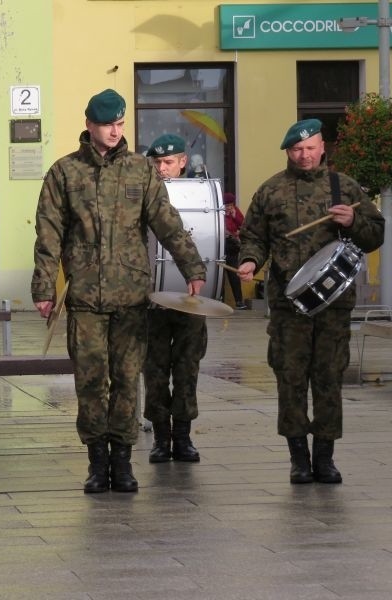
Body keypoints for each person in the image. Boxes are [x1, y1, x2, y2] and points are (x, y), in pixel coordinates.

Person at [31, 90, 206, 495]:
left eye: (120, 124)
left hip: (130, 297)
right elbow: (48, 234)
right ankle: (97, 462)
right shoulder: (64, 173)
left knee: (128, 380)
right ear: (90, 125)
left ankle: (123, 463)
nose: (115, 130)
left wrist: (192, 267)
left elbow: (168, 223)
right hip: (86, 299)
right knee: (91, 382)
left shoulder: (140, 171)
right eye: (107, 124)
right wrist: (43, 287)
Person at [237, 118, 384, 485]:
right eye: (297, 150)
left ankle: (325, 457)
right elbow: (253, 236)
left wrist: (353, 220)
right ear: (288, 151)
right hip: (289, 307)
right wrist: (250, 260)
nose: (304, 155)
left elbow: (375, 235)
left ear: (322, 148)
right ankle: (298, 458)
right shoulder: (271, 191)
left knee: (329, 377)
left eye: (310, 148)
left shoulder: (344, 188)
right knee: (290, 377)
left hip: (333, 305)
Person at [142, 134, 207, 464]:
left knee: (186, 370)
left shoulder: (200, 195)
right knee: (154, 372)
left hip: (190, 300)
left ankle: (183, 437)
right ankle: (160, 438)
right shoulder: (143, 193)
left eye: (168, 162)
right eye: (156, 163)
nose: (162, 168)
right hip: (152, 300)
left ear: (183, 161)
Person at [222, 192, 247, 310]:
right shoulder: (219, 213)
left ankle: (239, 301)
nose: (229, 207)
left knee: (234, 274)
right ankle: (219, 298)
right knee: (220, 274)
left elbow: (243, 224)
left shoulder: (235, 211)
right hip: (222, 245)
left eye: (231, 205)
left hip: (232, 247)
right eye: (227, 205)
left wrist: (234, 216)